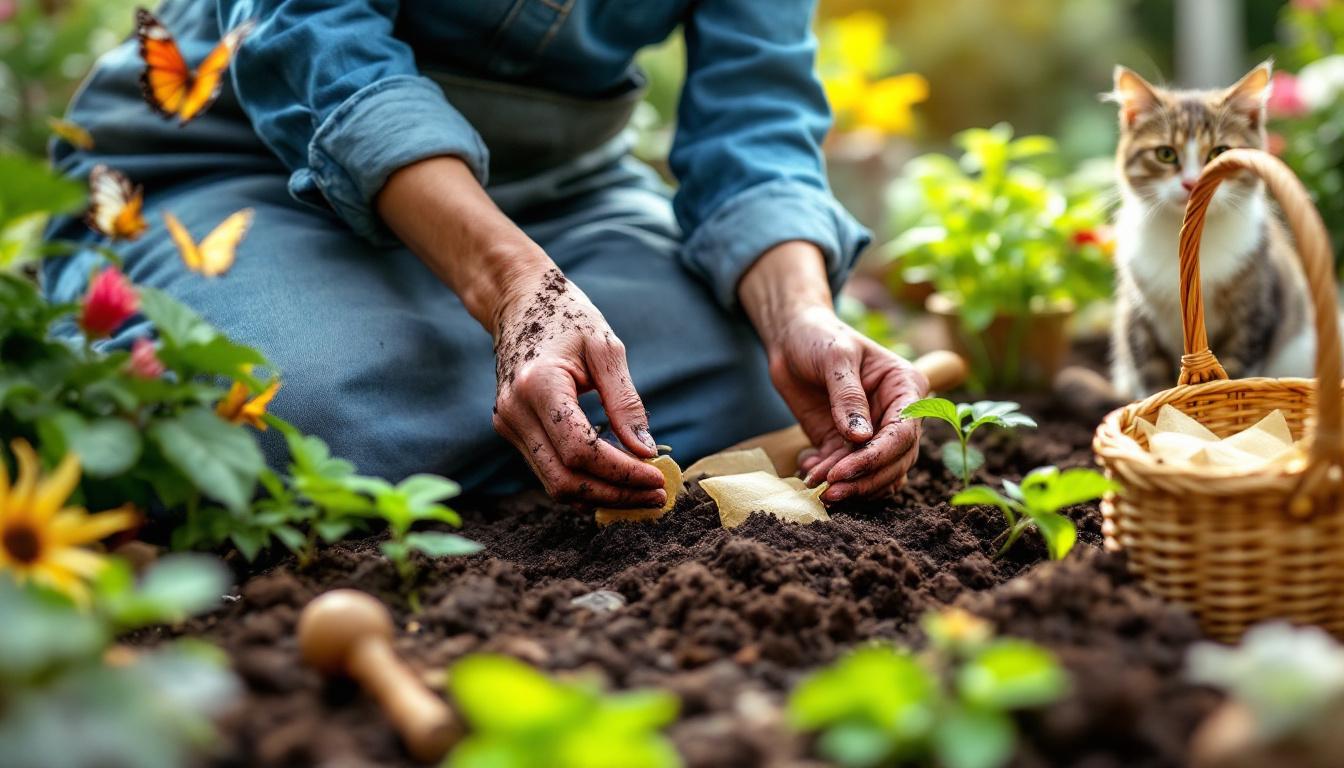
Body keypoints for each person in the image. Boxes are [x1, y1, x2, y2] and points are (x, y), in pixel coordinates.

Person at [46, 1, 928, 508]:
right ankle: (433, 368)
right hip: (246, 162)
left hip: (553, 189)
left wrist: (799, 313)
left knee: (755, 380)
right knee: (279, 413)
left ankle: (415, 384)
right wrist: (513, 289)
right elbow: (311, 34)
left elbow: (755, 121)